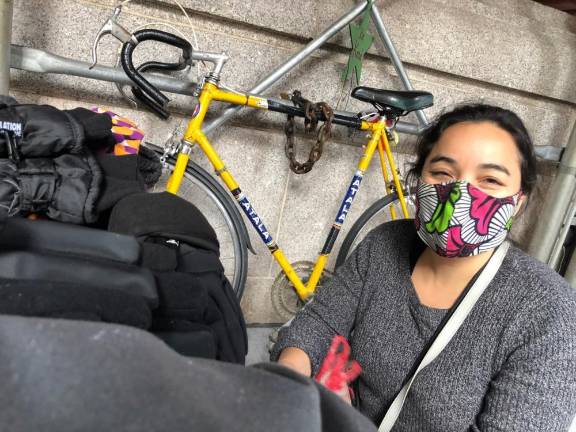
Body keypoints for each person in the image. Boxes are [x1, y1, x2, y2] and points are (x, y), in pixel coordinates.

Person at [270, 104, 576, 431]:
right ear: (418, 181)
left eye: (489, 179)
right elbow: (321, 321)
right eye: (443, 173)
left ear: (518, 201)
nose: (459, 194)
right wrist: (289, 388)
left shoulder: (547, 310)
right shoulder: (384, 245)